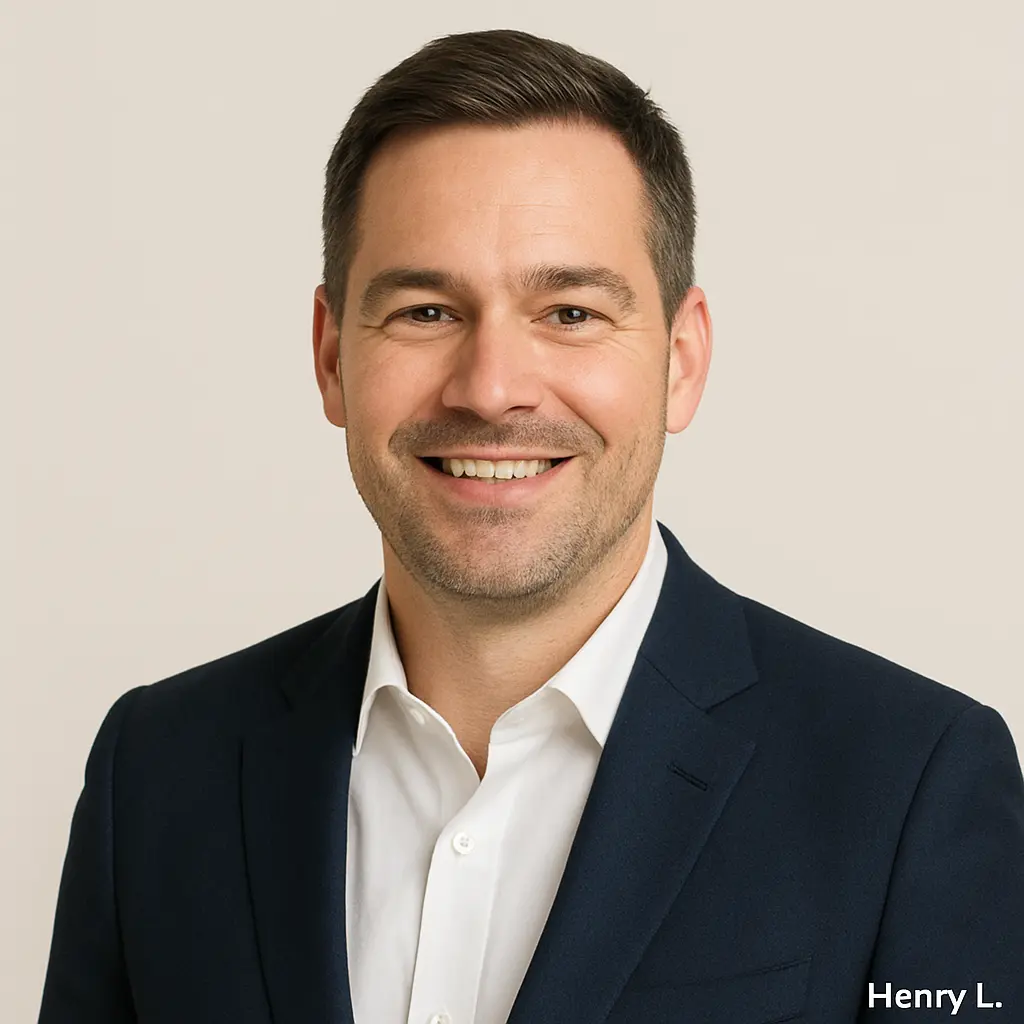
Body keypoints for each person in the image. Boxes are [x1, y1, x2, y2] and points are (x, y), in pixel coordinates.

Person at [39, 28, 1023, 1024]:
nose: (492, 388)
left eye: (568, 312)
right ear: (332, 357)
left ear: (680, 360)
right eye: (425, 310)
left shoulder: (909, 784)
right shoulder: (158, 769)